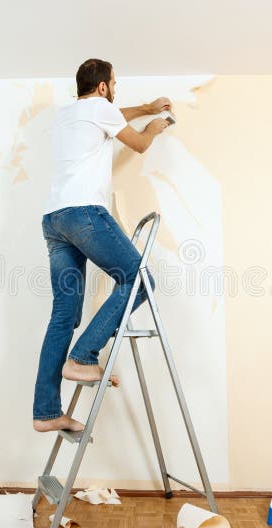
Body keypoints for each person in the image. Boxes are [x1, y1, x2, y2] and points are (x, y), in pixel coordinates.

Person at [33, 58, 171, 432]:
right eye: (115, 83)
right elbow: (139, 144)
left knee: (63, 315)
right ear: (104, 87)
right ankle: (83, 355)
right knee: (139, 279)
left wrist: (144, 108)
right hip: (84, 214)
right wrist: (154, 127)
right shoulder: (100, 109)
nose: (115, 89)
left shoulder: (69, 115)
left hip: (54, 220)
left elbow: (110, 115)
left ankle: (46, 412)